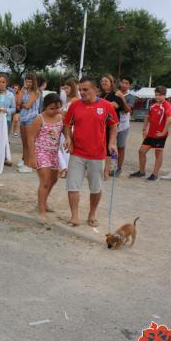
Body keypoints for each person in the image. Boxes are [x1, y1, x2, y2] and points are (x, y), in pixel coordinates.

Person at [63, 77, 119, 228]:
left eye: (85, 89)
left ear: (95, 90)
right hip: (77, 153)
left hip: (97, 154)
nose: (81, 92)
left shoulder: (107, 106)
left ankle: (92, 214)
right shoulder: (74, 106)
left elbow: (114, 126)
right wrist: (68, 138)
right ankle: (74, 216)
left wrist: (112, 143)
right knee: (72, 186)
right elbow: (67, 125)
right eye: (80, 90)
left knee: (96, 187)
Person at [26, 93, 64, 223]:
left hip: (54, 153)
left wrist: (69, 139)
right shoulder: (39, 118)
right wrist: (31, 157)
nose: (55, 111)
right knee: (45, 181)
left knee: (54, 180)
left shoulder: (60, 117)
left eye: (58, 108)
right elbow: (30, 137)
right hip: (41, 152)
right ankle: (41, 211)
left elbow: (65, 131)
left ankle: (43, 202)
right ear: (45, 107)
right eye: (52, 108)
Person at [129, 86, 171, 181]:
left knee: (158, 154)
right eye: (156, 95)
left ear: (164, 95)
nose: (157, 97)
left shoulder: (166, 105)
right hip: (150, 134)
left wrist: (163, 132)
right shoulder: (153, 105)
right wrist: (144, 129)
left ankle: (155, 174)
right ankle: (141, 171)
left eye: (160, 95)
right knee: (141, 151)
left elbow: (169, 119)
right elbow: (147, 117)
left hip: (159, 135)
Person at [100, 74, 127, 180]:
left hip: (111, 125)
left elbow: (116, 106)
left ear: (111, 82)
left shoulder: (116, 94)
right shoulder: (101, 94)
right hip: (100, 124)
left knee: (108, 148)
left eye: (106, 81)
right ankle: (99, 170)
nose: (103, 83)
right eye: (102, 81)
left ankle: (106, 172)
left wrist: (104, 103)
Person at [113, 75, 136, 176]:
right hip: (112, 123)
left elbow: (128, 110)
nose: (124, 85)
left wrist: (122, 97)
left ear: (130, 85)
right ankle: (110, 166)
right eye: (123, 82)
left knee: (121, 147)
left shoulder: (131, 97)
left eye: (127, 83)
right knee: (110, 146)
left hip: (123, 125)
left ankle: (119, 168)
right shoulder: (114, 93)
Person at [18, 73, 40, 173]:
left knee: (29, 143)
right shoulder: (24, 91)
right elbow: (18, 102)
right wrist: (21, 92)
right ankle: (25, 163)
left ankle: (29, 165)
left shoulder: (36, 92)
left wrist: (22, 105)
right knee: (24, 143)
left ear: (33, 82)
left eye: (30, 81)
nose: (28, 83)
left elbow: (28, 105)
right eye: (27, 81)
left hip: (31, 118)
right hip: (23, 118)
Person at [59, 79, 79, 178]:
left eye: (67, 88)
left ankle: (65, 169)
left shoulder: (74, 99)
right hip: (64, 125)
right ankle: (65, 168)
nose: (66, 90)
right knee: (62, 147)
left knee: (65, 147)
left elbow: (66, 114)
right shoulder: (68, 99)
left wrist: (59, 113)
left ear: (73, 88)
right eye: (65, 88)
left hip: (70, 126)